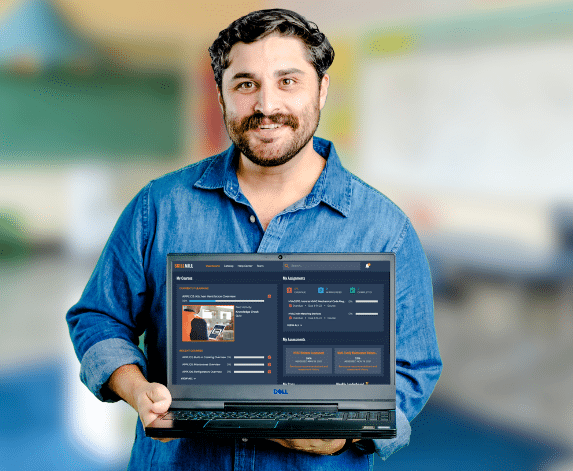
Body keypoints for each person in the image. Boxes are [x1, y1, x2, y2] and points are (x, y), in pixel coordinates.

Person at [66, 8, 442, 470]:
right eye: (246, 84)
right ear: (221, 96)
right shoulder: (159, 206)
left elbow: (414, 367)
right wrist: (137, 389)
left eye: (288, 81)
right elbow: (99, 318)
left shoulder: (387, 229)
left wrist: (346, 435)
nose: (266, 106)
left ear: (322, 90)